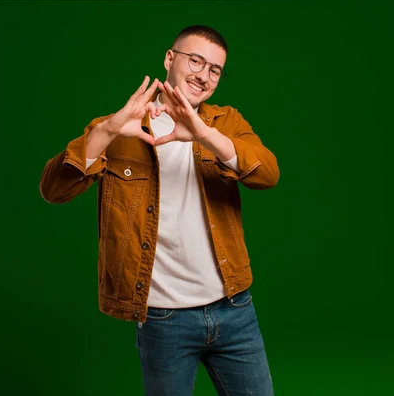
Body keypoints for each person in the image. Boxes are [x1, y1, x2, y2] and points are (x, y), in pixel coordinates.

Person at [39, 25, 279, 396]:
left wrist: (201, 133)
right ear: (170, 59)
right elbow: (53, 190)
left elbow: (266, 173)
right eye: (195, 60)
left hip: (234, 310)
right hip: (163, 320)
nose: (203, 74)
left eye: (215, 69)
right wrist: (107, 130)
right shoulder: (119, 128)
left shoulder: (225, 122)